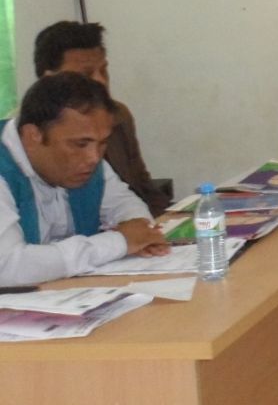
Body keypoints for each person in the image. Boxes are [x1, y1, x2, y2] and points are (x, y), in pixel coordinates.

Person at [0, 73, 168, 288]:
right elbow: (8, 266)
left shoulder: (86, 160)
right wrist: (119, 243)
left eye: (102, 143)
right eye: (80, 144)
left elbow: (124, 204)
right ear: (33, 136)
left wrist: (141, 232)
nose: (94, 158)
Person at [34, 20, 171, 216]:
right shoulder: (36, 135)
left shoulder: (119, 115)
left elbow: (142, 187)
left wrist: (168, 223)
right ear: (49, 81)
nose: (100, 80)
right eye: (85, 73)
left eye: (103, 70)